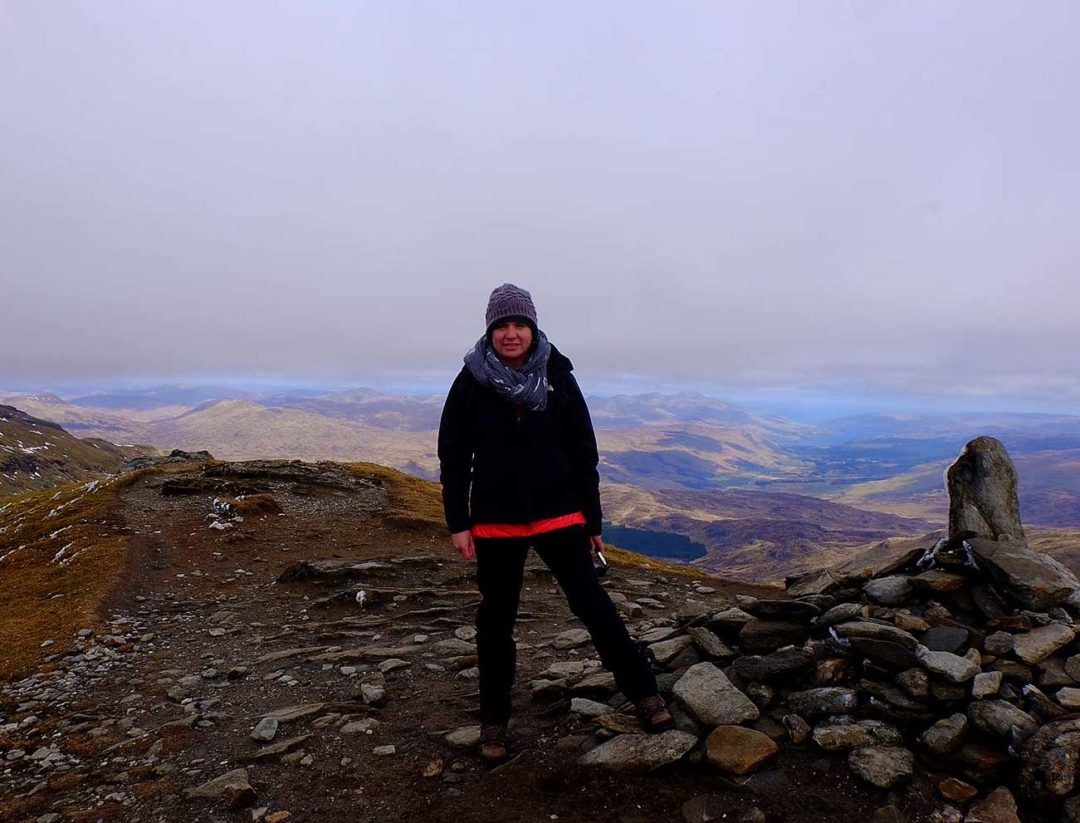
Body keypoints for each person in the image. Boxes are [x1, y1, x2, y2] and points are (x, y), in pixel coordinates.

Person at [437, 283, 673, 762]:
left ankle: (645, 695)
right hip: (496, 520)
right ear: (490, 330)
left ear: (533, 327)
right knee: (496, 621)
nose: (510, 333)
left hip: (560, 512)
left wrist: (593, 518)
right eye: (501, 325)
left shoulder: (558, 376)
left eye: (518, 324)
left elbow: (583, 451)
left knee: (594, 605)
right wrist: (458, 521)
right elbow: (454, 456)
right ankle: (494, 723)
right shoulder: (469, 382)